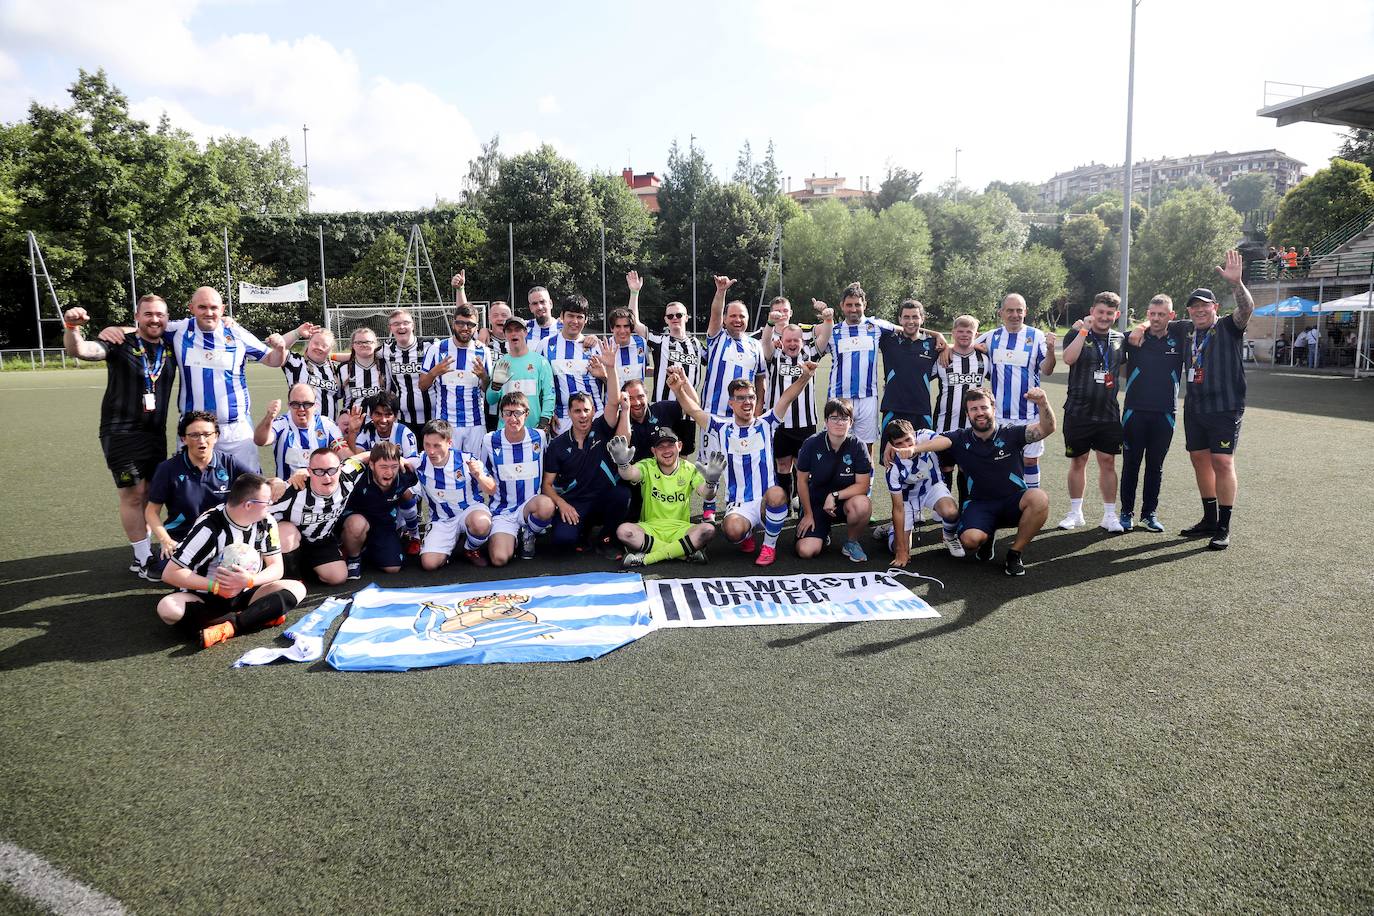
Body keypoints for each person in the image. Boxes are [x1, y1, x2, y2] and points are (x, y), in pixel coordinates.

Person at [63, 295, 176, 578]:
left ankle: (145, 552)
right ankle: (142, 558)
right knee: (133, 494)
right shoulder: (119, 342)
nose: (154, 319)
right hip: (121, 432)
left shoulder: (171, 345)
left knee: (150, 494)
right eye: (148, 314)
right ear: (137, 316)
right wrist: (72, 328)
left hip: (155, 433)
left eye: (160, 314)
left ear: (167, 318)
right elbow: (83, 351)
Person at [891, 387, 1056, 576]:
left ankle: (1014, 553)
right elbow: (935, 440)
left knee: (1039, 498)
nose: (980, 413)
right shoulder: (960, 438)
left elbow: (1047, 428)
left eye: (983, 407)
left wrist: (1043, 403)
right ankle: (987, 535)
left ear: (993, 408)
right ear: (968, 414)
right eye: (974, 409)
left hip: (1013, 502)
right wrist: (910, 448)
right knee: (970, 540)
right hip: (980, 504)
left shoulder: (1010, 433)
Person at [671, 361, 818, 567]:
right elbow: (695, 411)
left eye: (751, 397)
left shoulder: (766, 423)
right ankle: (746, 533)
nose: (747, 402)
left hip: (766, 500)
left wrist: (804, 377)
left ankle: (769, 546)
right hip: (739, 503)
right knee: (732, 531)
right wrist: (679, 390)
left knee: (777, 494)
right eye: (741, 398)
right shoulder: (721, 427)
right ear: (731, 403)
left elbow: (787, 397)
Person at [139, 286, 283, 471]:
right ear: (191, 308)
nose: (209, 312)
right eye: (202, 307)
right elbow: (149, 327)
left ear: (222, 309)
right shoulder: (179, 330)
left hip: (235, 431)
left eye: (214, 308)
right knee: (190, 491)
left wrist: (280, 349)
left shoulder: (236, 333)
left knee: (247, 489)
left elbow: (272, 360)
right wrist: (115, 331)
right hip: (193, 430)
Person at [156, 473, 306, 650]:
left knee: (297, 588)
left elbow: (276, 568)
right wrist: (217, 587)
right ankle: (258, 616)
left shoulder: (267, 522)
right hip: (206, 597)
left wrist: (249, 581)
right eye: (267, 502)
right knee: (167, 609)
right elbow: (171, 573)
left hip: (246, 592)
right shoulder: (209, 527)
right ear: (248, 505)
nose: (271, 505)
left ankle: (232, 626)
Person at [1177, 250, 1254, 550]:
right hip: (1195, 408)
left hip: (1225, 406)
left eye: (1204, 306)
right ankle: (1208, 519)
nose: (1198, 311)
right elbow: (1155, 322)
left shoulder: (1227, 327)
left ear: (1215, 307)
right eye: (1194, 307)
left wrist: (1237, 283)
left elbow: (1246, 309)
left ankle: (1223, 526)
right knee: (1199, 460)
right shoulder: (1185, 332)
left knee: (1222, 461)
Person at [145, 411, 252, 577]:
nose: (202, 441)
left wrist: (280, 483)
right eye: (194, 435)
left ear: (216, 436)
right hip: (183, 538)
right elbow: (151, 511)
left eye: (207, 434)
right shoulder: (168, 469)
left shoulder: (229, 463)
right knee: (169, 572)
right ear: (183, 439)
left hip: (222, 537)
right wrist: (165, 540)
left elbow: (260, 487)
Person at [542, 351, 628, 555]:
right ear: (570, 413)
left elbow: (614, 402)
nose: (583, 415)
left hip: (603, 496)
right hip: (576, 500)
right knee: (563, 542)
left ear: (593, 411)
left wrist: (610, 367)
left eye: (586, 410)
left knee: (622, 494)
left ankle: (607, 538)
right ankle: (582, 530)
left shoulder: (601, 428)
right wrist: (562, 504)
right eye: (577, 411)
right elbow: (546, 485)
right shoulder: (558, 444)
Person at [1056, 292, 1127, 533]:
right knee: (1079, 461)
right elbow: (1068, 358)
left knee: (1108, 462)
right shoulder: (1076, 333)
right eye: (1100, 312)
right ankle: (1075, 513)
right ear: (1092, 311)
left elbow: (1123, 369)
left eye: (1109, 313)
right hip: (1078, 411)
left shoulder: (1120, 339)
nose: (1104, 317)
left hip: (1108, 413)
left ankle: (1109, 515)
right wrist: (1083, 331)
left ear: (1116, 315)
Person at [699, 274, 768, 520]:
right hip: (714, 413)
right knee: (710, 465)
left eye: (742, 316)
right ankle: (708, 507)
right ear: (726, 319)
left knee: (739, 463)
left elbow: (760, 378)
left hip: (741, 418)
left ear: (748, 320)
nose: (737, 320)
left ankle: (737, 505)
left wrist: (758, 407)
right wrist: (721, 292)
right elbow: (715, 313)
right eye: (733, 316)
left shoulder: (755, 346)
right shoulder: (717, 337)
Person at [974, 293, 1057, 489]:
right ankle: (1005, 504)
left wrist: (1052, 351)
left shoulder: (1035, 336)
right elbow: (964, 344)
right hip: (999, 415)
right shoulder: (992, 336)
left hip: (1029, 414)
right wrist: (944, 346)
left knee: (1030, 461)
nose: (1015, 314)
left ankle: (1033, 502)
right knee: (1000, 461)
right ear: (1001, 313)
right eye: (1010, 310)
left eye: (1019, 310)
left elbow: (1047, 369)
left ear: (1025, 312)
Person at [608, 427, 723, 567]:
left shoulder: (690, 469)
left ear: (679, 446)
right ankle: (683, 553)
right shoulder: (647, 465)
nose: (666, 450)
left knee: (708, 530)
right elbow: (630, 474)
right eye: (660, 447)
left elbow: (706, 493)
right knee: (623, 531)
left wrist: (711, 483)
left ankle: (647, 559)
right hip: (651, 528)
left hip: (681, 529)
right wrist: (623, 464)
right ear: (653, 451)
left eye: (670, 445)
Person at [1119, 295, 1187, 532]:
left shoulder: (1180, 339)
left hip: (1165, 414)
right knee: (1131, 465)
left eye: (1162, 314)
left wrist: (1142, 325)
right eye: (1152, 314)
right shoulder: (1132, 338)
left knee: (1155, 467)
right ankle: (1126, 513)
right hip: (1134, 412)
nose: (1156, 318)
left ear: (1172, 315)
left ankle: (1149, 514)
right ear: (1147, 314)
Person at [761, 302, 834, 507]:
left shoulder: (810, 353)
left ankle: (804, 504)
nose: (792, 344)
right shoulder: (774, 355)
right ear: (781, 341)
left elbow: (825, 336)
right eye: (788, 340)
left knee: (803, 467)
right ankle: (783, 502)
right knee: (782, 465)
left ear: (802, 341)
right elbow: (766, 341)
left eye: (796, 340)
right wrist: (770, 323)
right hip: (780, 424)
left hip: (805, 422)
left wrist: (828, 318)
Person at [475, 391, 557, 566]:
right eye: (507, 413)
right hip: (503, 511)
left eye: (517, 413)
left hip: (530, 506)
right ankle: (511, 537)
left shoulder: (539, 437)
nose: (513, 418)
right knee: (499, 559)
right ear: (502, 415)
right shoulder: (490, 440)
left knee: (547, 506)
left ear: (527, 414)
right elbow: (484, 473)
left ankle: (529, 531)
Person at [270, 447, 370, 585]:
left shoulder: (348, 475)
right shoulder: (293, 490)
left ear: (341, 468)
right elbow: (256, 506)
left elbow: (364, 456)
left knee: (338, 578)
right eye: (319, 471)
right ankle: (291, 579)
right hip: (292, 541)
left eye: (331, 470)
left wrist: (398, 458)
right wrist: (272, 483)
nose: (327, 477)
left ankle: (311, 567)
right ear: (310, 471)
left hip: (321, 541)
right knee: (284, 531)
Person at [794, 399, 874, 562]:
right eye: (834, 418)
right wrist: (808, 514)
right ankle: (821, 534)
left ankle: (851, 542)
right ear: (826, 421)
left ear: (851, 422)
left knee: (863, 505)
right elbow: (801, 481)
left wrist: (835, 495)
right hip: (817, 503)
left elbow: (863, 485)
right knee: (805, 551)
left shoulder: (858, 446)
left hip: (844, 503)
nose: (840, 422)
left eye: (844, 418)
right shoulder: (812, 443)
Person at [882, 419, 964, 566]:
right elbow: (898, 508)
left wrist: (916, 449)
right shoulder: (893, 466)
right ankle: (892, 530)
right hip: (907, 499)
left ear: (914, 433)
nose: (906, 446)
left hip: (931, 487)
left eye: (908, 439)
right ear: (892, 446)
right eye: (899, 443)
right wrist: (901, 550)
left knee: (951, 512)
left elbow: (946, 442)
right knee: (900, 549)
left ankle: (949, 536)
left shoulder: (923, 436)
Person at [414, 419, 494, 569]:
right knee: (429, 564)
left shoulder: (467, 460)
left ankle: (471, 549)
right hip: (441, 520)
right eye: (427, 445)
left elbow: (492, 489)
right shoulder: (419, 461)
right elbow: (396, 462)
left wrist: (479, 476)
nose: (431, 451)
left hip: (469, 512)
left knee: (481, 523)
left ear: (449, 443)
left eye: (437, 446)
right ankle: (450, 543)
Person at [826, 282, 897, 449]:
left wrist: (938, 335)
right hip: (839, 396)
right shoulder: (832, 331)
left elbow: (907, 329)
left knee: (866, 447)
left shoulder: (877, 326)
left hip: (868, 397)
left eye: (857, 304)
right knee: (836, 445)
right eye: (849, 305)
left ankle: (867, 476)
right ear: (842, 306)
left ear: (865, 305)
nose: (853, 309)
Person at [932, 315, 992, 505]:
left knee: (968, 468)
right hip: (945, 422)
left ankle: (966, 506)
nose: (964, 335)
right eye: (960, 331)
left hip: (973, 426)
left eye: (969, 331)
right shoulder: (942, 357)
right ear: (953, 332)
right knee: (945, 467)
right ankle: (943, 506)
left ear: (976, 334)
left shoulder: (984, 358)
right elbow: (919, 377)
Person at [419, 304, 492, 456]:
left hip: (476, 423)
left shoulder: (483, 351)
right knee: (448, 470)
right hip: (446, 424)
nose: (465, 328)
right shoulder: (437, 348)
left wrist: (483, 377)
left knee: (476, 468)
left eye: (470, 324)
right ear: (453, 323)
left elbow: (488, 390)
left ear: (476, 327)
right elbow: (422, 385)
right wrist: (434, 373)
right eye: (460, 323)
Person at [340, 441, 420, 578]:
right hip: (356, 521)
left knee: (393, 568)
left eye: (394, 466)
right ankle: (353, 557)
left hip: (383, 523)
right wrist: (367, 455)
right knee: (357, 524)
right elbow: (343, 464)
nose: (389, 472)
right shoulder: (357, 474)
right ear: (371, 464)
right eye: (383, 466)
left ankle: (369, 548)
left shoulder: (405, 474)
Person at [877, 299, 946, 450]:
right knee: (892, 458)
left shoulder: (933, 344)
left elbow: (957, 347)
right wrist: (938, 332)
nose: (911, 321)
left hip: (921, 410)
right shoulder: (888, 340)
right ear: (899, 319)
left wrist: (937, 335)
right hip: (893, 409)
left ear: (922, 319)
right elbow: (874, 322)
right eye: (906, 317)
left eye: (915, 317)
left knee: (923, 459)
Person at [644, 290, 704, 454]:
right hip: (662, 410)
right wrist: (635, 292)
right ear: (665, 320)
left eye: (678, 314)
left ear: (686, 317)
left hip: (688, 411)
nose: (674, 318)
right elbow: (635, 323)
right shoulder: (660, 340)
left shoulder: (697, 345)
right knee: (659, 455)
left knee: (682, 459)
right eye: (670, 316)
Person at [254, 382, 348, 479]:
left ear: (315, 405)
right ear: (289, 405)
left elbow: (343, 452)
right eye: (295, 404)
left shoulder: (327, 425)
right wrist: (268, 418)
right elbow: (260, 440)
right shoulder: (281, 424)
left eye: (307, 404)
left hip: (320, 489)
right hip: (287, 489)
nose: (301, 409)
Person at [541, 295, 605, 434]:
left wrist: (604, 376)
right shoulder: (546, 344)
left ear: (586, 319)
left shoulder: (596, 346)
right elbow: (539, 383)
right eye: (570, 316)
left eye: (580, 317)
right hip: (562, 419)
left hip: (595, 415)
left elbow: (611, 382)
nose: (575, 321)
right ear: (562, 316)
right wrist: (547, 413)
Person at [487, 316, 556, 434]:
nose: (514, 333)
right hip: (506, 430)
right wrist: (495, 386)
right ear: (505, 334)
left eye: (518, 329)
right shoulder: (501, 363)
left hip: (533, 429)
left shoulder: (540, 361)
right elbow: (491, 400)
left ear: (525, 332)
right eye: (509, 330)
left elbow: (549, 394)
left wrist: (544, 421)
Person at [380, 308, 432, 441]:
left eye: (405, 322)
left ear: (413, 325)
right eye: (396, 324)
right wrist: (328, 354)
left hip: (432, 418)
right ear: (390, 328)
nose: (401, 326)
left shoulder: (430, 345)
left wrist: (481, 335)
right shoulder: (386, 349)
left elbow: (458, 342)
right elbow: (361, 352)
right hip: (403, 419)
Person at [276, 322, 344, 420]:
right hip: (300, 428)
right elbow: (278, 346)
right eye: (316, 343)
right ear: (309, 342)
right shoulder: (296, 362)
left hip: (328, 430)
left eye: (325, 346)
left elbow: (356, 357)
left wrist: (334, 357)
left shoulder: (335, 369)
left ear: (330, 350)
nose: (319, 348)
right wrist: (297, 332)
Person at [336, 326, 386, 435]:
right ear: (353, 345)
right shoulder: (343, 369)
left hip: (382, 425)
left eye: (368, 342)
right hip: (353, 425)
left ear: (375, 344)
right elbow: (336, 396)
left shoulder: (385, 365)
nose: (363, 345)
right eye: (359, 342)